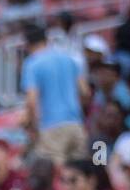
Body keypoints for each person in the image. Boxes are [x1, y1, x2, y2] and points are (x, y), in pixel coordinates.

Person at [21, 22, 89, 164]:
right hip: (76, 124)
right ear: (46, 40)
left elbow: (32, 101)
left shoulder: (32, 64)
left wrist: (33, 126)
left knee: (56, 178)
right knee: (79, 173)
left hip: (52, 127)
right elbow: (85, 92)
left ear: (27, 44)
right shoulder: (68, 58)